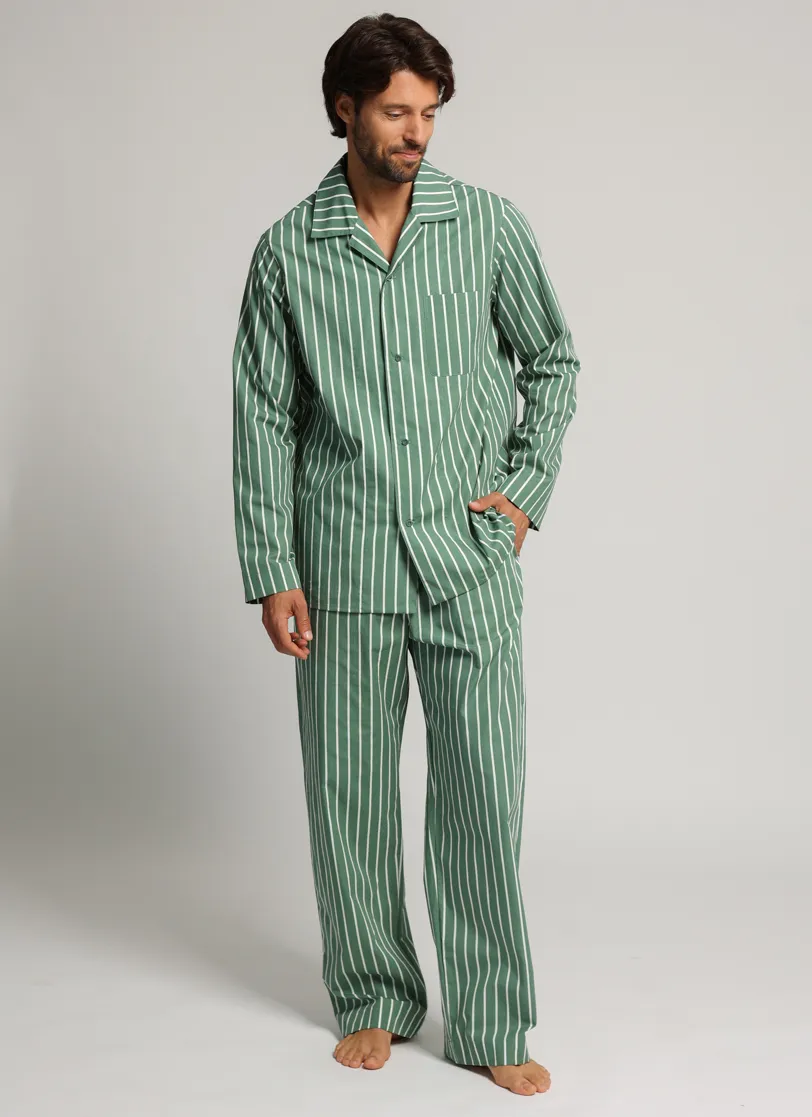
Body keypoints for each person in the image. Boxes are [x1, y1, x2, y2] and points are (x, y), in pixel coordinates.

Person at [231, 12, 580, 1098]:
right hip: (342, 563)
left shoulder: (487, 226)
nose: (415, 131)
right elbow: (264, 417)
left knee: (481, 792)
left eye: (427, 113)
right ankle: (374, 996)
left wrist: (522, 495)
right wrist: (271, 566)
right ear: (345, 109)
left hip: (467, 556)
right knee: (349, 797)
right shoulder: (287, 251)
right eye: (394, 111)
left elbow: (553, 359)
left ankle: (488, 1016)